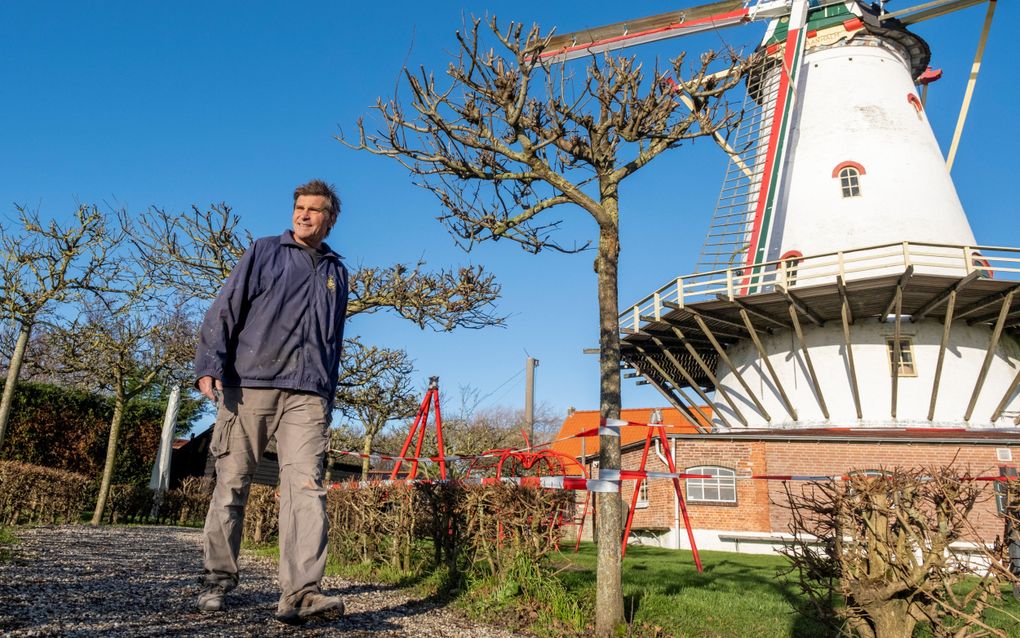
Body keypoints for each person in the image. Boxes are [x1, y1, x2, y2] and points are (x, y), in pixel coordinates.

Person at [193, 179, 349, 624]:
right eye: (299, 207)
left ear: (330, 218)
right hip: (251, 386)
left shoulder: (338, 273)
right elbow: (224, 309)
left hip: (308, 396)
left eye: (314, 210)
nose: (304, 215)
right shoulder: (263, 251)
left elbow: (333, 342)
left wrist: (327, 393)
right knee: (233, 484)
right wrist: (210, 364)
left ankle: (300, 594)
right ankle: (216, 580)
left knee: (307, 491)